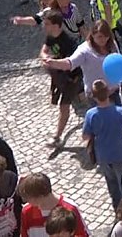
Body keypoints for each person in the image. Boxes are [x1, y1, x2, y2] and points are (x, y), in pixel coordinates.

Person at [82, 79, 122, 211]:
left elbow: (85, 136)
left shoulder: (91, 115)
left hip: (103, 156)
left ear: (93, 96)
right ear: (109, 93)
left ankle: (118, 210)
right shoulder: (120, 111)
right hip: (120, 154)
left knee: (112, 185)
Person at [43, 20, 122, 100]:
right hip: (95, 97)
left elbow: (118, 63)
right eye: (100, 36)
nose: (104, 40)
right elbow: (70, 63)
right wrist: (54, 63)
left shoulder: (112, 44)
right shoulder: (84, 50)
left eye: (106, 36)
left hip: (114, 91)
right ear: (93, 35)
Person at [40, 10, 83, 146]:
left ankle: (57, 137)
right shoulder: (51, 36)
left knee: (64, 107)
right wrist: (45, 57)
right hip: (59, 77)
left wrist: (52, 63)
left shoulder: (69, 42)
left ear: (56, 25)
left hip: (71, 79)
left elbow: (71, 65)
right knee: (82, 98)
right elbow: (44, 50)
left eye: (47, 24)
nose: (44, 26)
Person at [18, 173, 88, 237]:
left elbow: (82, 234)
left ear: (39, 197)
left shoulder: (69, 208)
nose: (27, 201)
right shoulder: (27, 212)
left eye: (28, 198)